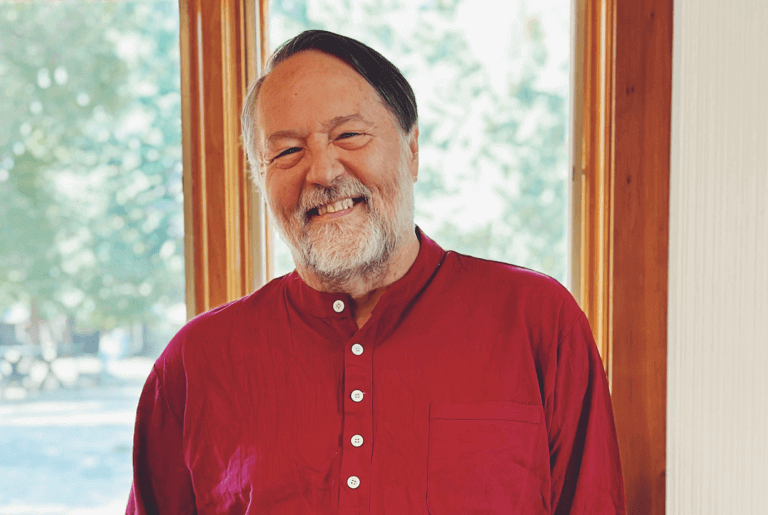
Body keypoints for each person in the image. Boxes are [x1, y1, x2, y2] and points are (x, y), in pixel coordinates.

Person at [127, 30, 626, 515]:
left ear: (411, 149)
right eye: (286, 151)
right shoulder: (194, 364)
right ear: (260, 177)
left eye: (349, 135)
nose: (323, 171)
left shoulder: (537, 321)